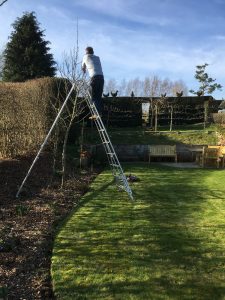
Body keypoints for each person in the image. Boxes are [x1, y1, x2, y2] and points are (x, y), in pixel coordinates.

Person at [82, 46, 104, 119]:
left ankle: (96, 114)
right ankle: (99, 114)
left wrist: (84, 70)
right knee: (98, 97)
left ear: (86, 52)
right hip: (101, 77)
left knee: (93, 97)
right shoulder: (97, 58)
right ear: (93, 52)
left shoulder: (85, 57)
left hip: (94, 78)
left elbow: (83, 68)